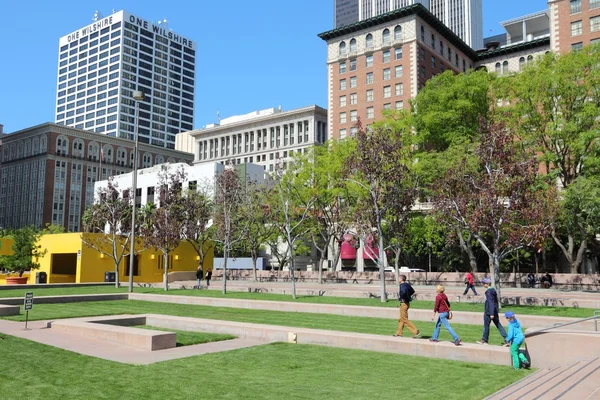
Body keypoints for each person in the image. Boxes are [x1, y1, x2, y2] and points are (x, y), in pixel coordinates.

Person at [476, 277, 507, 345]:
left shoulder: (489, 292)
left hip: (489, 312)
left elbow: (491, 302)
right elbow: (495, 302)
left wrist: (491, 313)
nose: (483, 285)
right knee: (498, 325)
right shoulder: (493, 290)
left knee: (486, 326)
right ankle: (507, 339)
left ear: (487, 284)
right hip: (494, 311)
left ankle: (484, 340)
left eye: (484, 283)